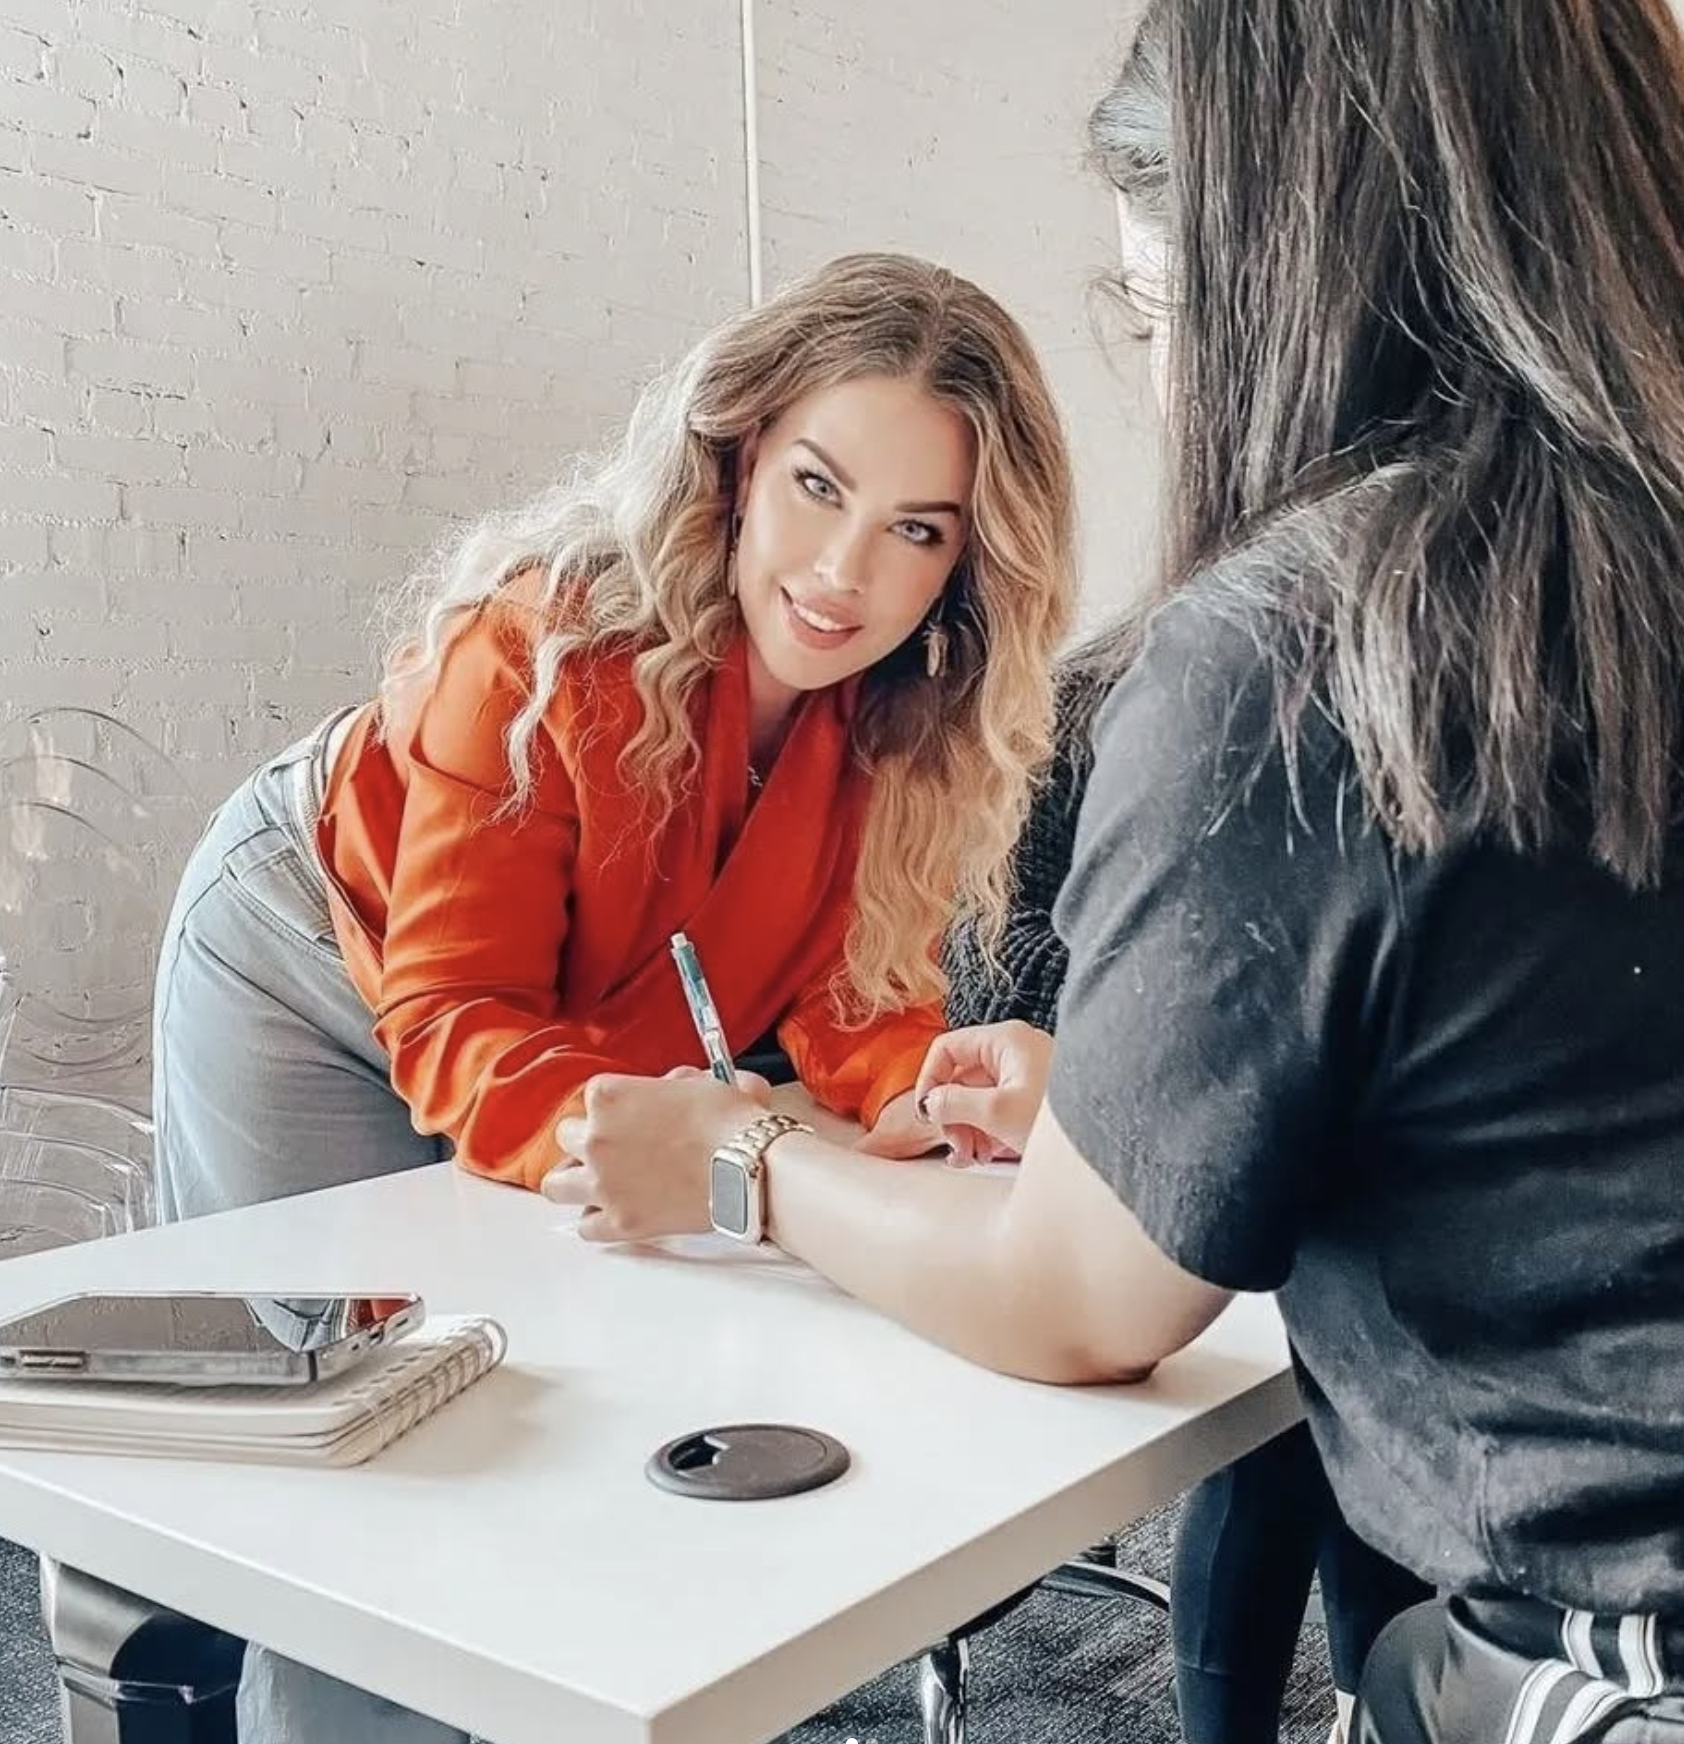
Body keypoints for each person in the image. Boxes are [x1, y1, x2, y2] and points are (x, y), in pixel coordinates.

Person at [555, 4, 1684, 1741]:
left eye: (1153, 310)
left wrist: (742, 1148)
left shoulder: (1289, 656)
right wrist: (1134, 1101)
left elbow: (1073, 1292)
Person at [151, 250, 1078, 1743]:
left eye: (916, 530)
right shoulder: (540, 647)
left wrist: (949, 1091)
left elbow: (856, 1010)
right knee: (370, 1433)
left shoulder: (905, 727)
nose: (846, 575)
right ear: (736, 460)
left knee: (553, 1428)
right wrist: (725, 1156)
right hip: (311, 956)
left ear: (964, 565)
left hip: (564, 1038)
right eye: (818, 488)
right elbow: (460, 1024)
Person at [943, 619, 1428, 1744]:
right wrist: (1143, 1024)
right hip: (1099, 1135)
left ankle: (1360, 1704)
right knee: (1270, 1426)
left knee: (1336, 1393)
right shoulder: (1122, 694)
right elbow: (983, 939)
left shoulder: (1353, 699)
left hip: (1287, 1133)